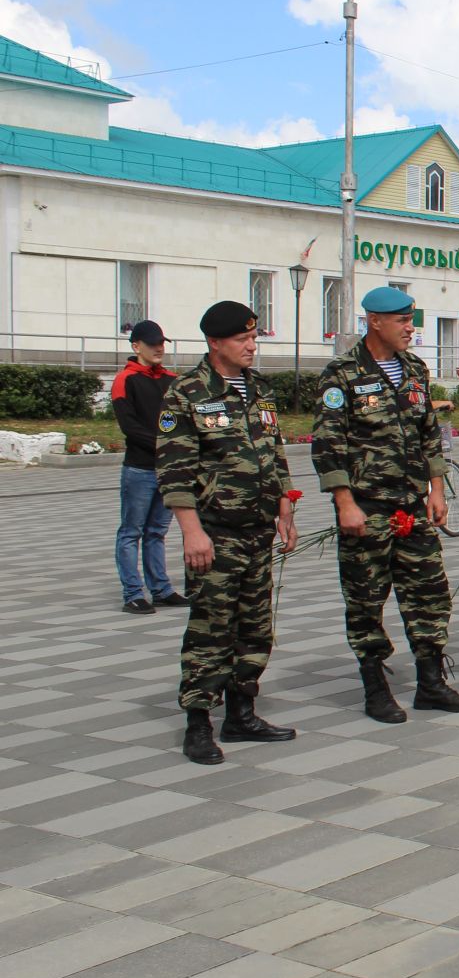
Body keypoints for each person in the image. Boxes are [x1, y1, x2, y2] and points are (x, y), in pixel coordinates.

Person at [313, 286, 459, 721]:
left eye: (411, 319)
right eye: (403, 321)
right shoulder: (342, 375)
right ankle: (375, 686)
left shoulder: (414, 369)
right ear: (374, 322)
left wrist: (437, 490)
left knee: (429, 593)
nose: (411, 328)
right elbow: (328, 446)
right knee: (366, 598)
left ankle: (431, 683)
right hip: (367, 509)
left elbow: (429, 434)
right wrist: (345, 503)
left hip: (413, 506)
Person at [156, 301, 298, 765]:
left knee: (256, 628)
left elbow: (275, 455)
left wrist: (285, 511)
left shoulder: (258, 389)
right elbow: (175, 473)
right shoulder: (187, 393)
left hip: (258, 531)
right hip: (215, 534)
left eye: (254, 338)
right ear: (216, 342)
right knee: (210, 630)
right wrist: (191, 532)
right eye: (242, 340)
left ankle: (241, 713)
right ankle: (198, 722)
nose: (252, 347)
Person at [112, 319, 185, 614]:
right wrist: (163, 445)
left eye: (162, 343)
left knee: (157, 531)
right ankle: (133, 593)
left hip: (168, 469)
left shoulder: (171, 380)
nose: (159, 348)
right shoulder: (125, 380)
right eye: (152, 343)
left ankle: (161, 589)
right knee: (132, 532)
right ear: (136, 346)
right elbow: (129, 427)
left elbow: (182, 420)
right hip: (140, 469)